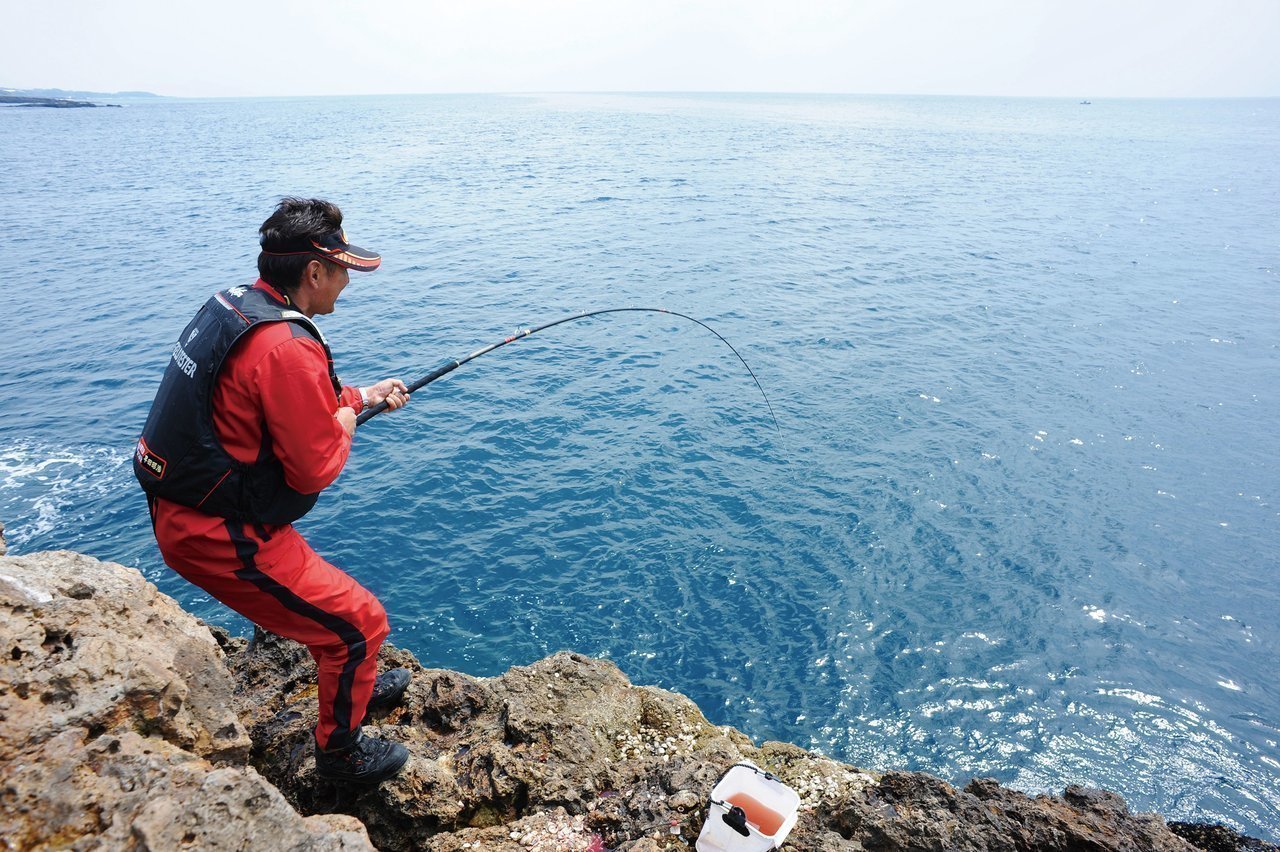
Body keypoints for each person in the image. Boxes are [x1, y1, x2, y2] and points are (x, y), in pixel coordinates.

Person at [134, 197, 412, 784]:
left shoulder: (240, 306)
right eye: (343, 271)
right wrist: (344, 425)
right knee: (360, 625)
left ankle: (350, 679)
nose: (346, 283)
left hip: (187, 506)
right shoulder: (287, 346)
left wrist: (362, 398)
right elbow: (314, 468)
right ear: (315, 272)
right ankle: (340, 757)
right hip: (218, 533)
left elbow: (284, 401)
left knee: (337, 623)